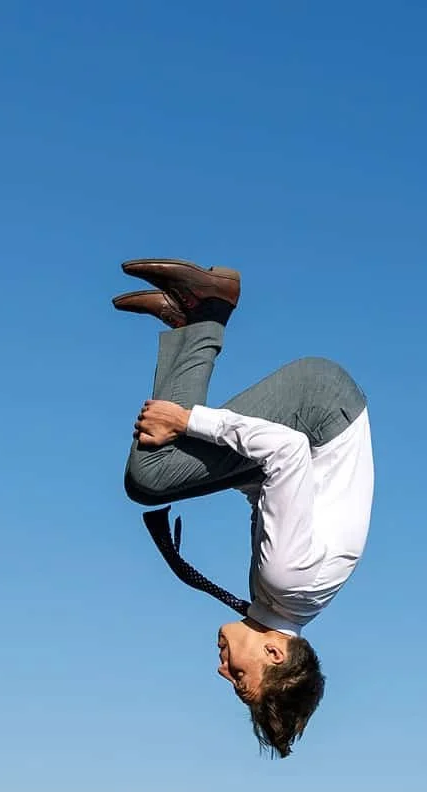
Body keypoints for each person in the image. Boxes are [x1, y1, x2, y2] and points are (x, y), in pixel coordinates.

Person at [113, 258, 374, 758]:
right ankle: (207, 308)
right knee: (152, 474)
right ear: (275, 653)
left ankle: (190, 317)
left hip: (321, 423)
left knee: (158, 479)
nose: (222, 670)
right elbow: (288, 452)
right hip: (318, 411)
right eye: (239, 680)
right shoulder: (285, 581)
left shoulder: (284, 602)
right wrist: (189, 422)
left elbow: (271, 489)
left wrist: (212, 475)